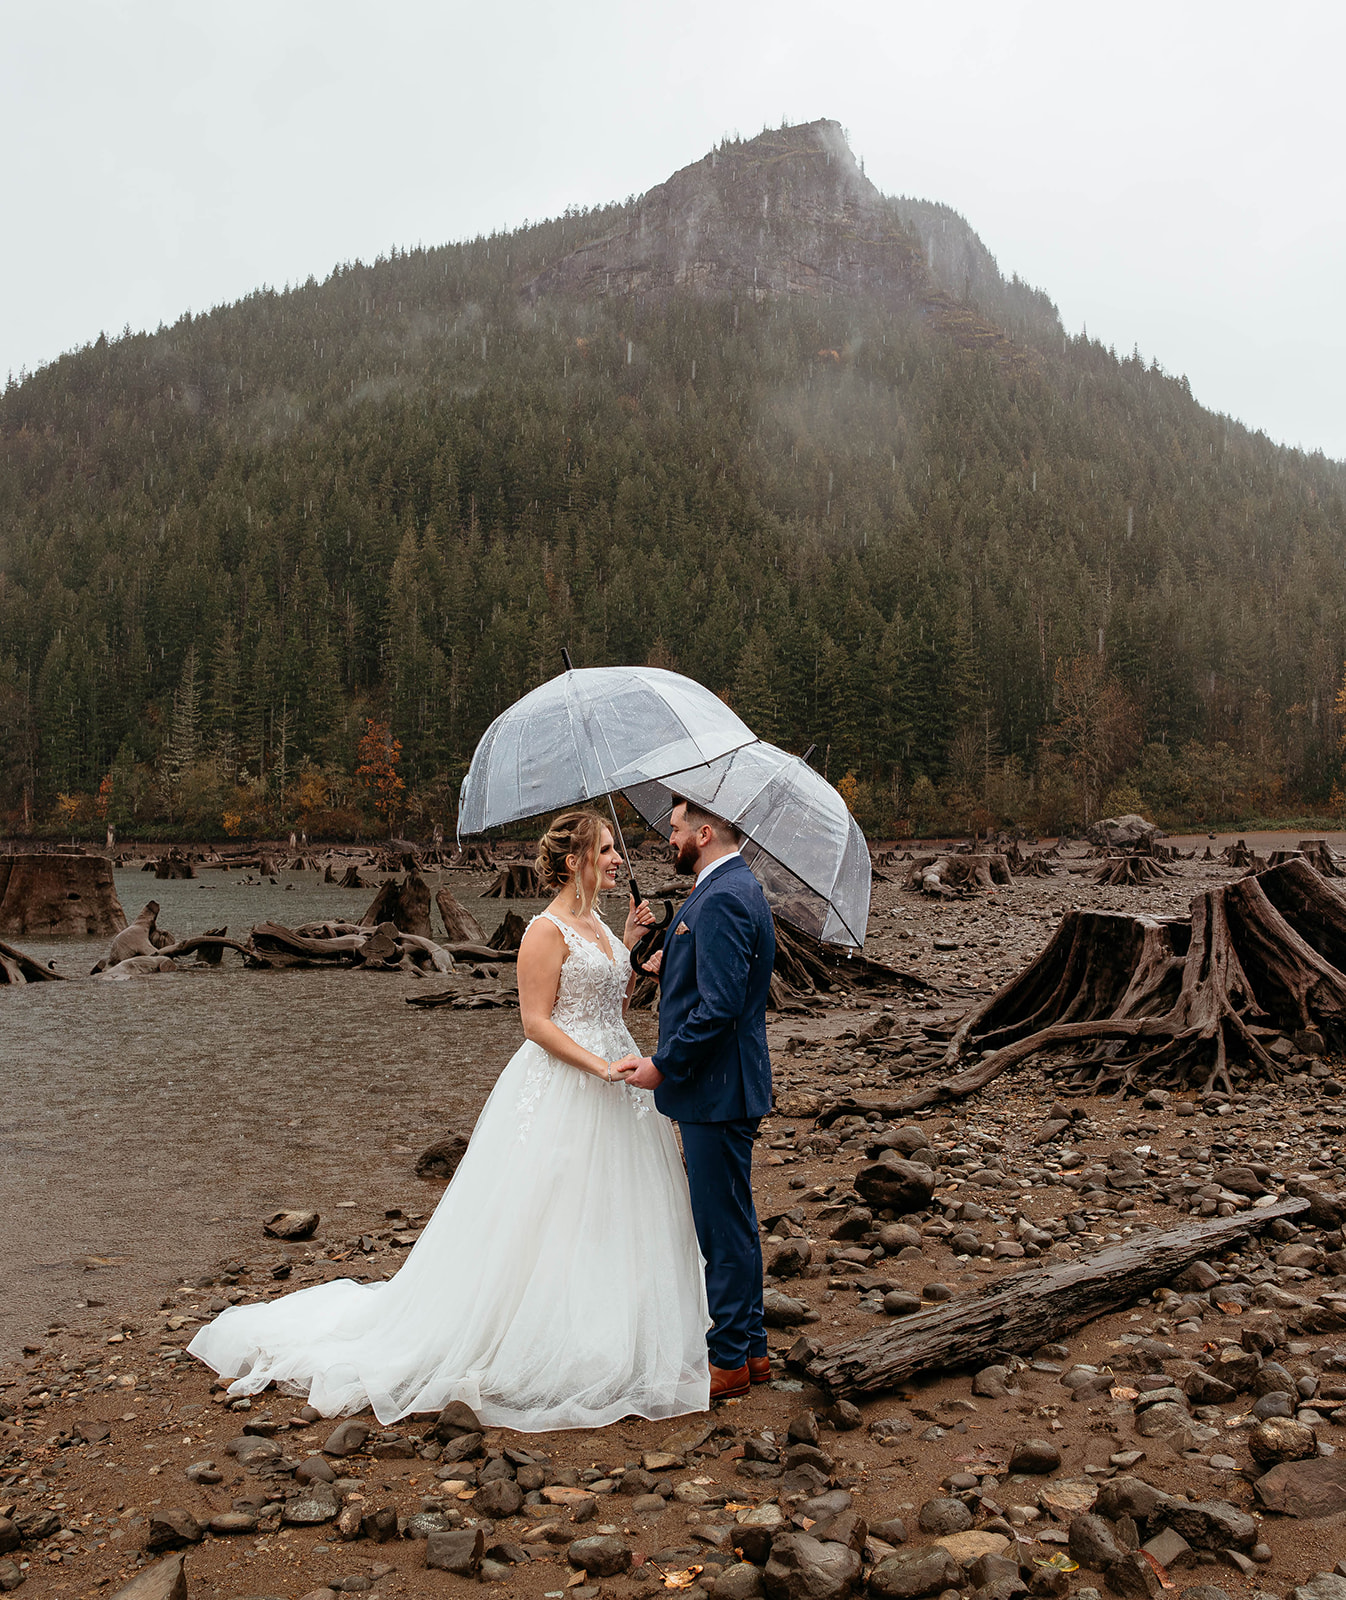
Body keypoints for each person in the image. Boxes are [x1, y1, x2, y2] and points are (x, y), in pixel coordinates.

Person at [188, 810, 710, 1430]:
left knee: (615, 1209)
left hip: (618, 1076)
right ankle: (538, 1335)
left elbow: (609, 1000)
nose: (619, 857)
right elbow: (537, 1023)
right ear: (575, 861)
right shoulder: (544, 930)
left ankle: (615, 1328)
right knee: (552, 1205)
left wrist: (628, 946)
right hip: (572, 1080)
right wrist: (598, 1068)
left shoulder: (598, 923)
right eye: (606, 849)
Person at [617, 798, 775, 1401]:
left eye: (678, 830)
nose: (671, 839)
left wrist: (662, 1064)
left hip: (718, 1087)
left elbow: (722, 1007)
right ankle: (753, 1349)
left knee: (720, 1225)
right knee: (733, 1217)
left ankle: (730, 1359)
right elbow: (714, 983)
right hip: (725, 1083)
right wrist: (670, 963)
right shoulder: (726, 887)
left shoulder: (725, 896)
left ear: (705, 834)